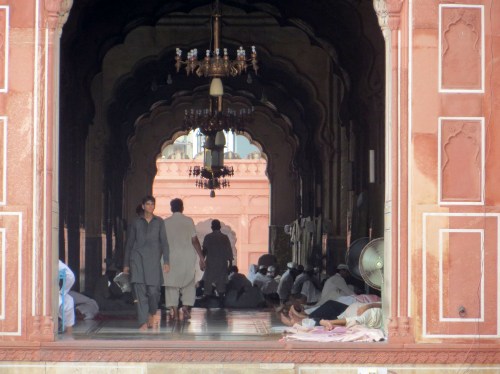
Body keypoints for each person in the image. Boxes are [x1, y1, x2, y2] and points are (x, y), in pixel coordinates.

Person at [123, 195, 170, 330]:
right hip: (137, 259)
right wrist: (126, 264)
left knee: (154, 292)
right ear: (143, 206)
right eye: (148, 204)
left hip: (153, 261)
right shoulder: (136, 222)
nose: (150, 206)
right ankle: (142, 321)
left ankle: (152, 312)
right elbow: (129, 243)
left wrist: (166, 261)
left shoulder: (159, 222)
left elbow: (164, 243)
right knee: (140, 291)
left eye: (152, 204)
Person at [163, 198, 205, 320]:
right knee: (188, 283)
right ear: (182, 208)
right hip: (186, 257)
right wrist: (201, 257)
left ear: (171, 208)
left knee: (171, 284)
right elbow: (194, 240)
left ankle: (175, 310)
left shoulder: (165, 222)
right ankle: (186, 306)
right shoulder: (188, 221)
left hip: (170, 257)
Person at [202, 219, 233, 299]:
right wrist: (230, 264)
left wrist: (202, 261)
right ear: (220, 227)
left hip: (210, 264)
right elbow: (229, 251)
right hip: (222, 265)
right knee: (221, 286)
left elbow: (204, 251)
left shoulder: (208, 237)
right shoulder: (224, 238)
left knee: (208, 285)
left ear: (212, 227)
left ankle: (208, 305)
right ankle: (221, 304)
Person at [58, 260, 75, 333]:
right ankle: (69, 335)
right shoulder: (54, 260)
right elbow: (70, 276)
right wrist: (63, 292)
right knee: (68, 302)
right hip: (52, 294)